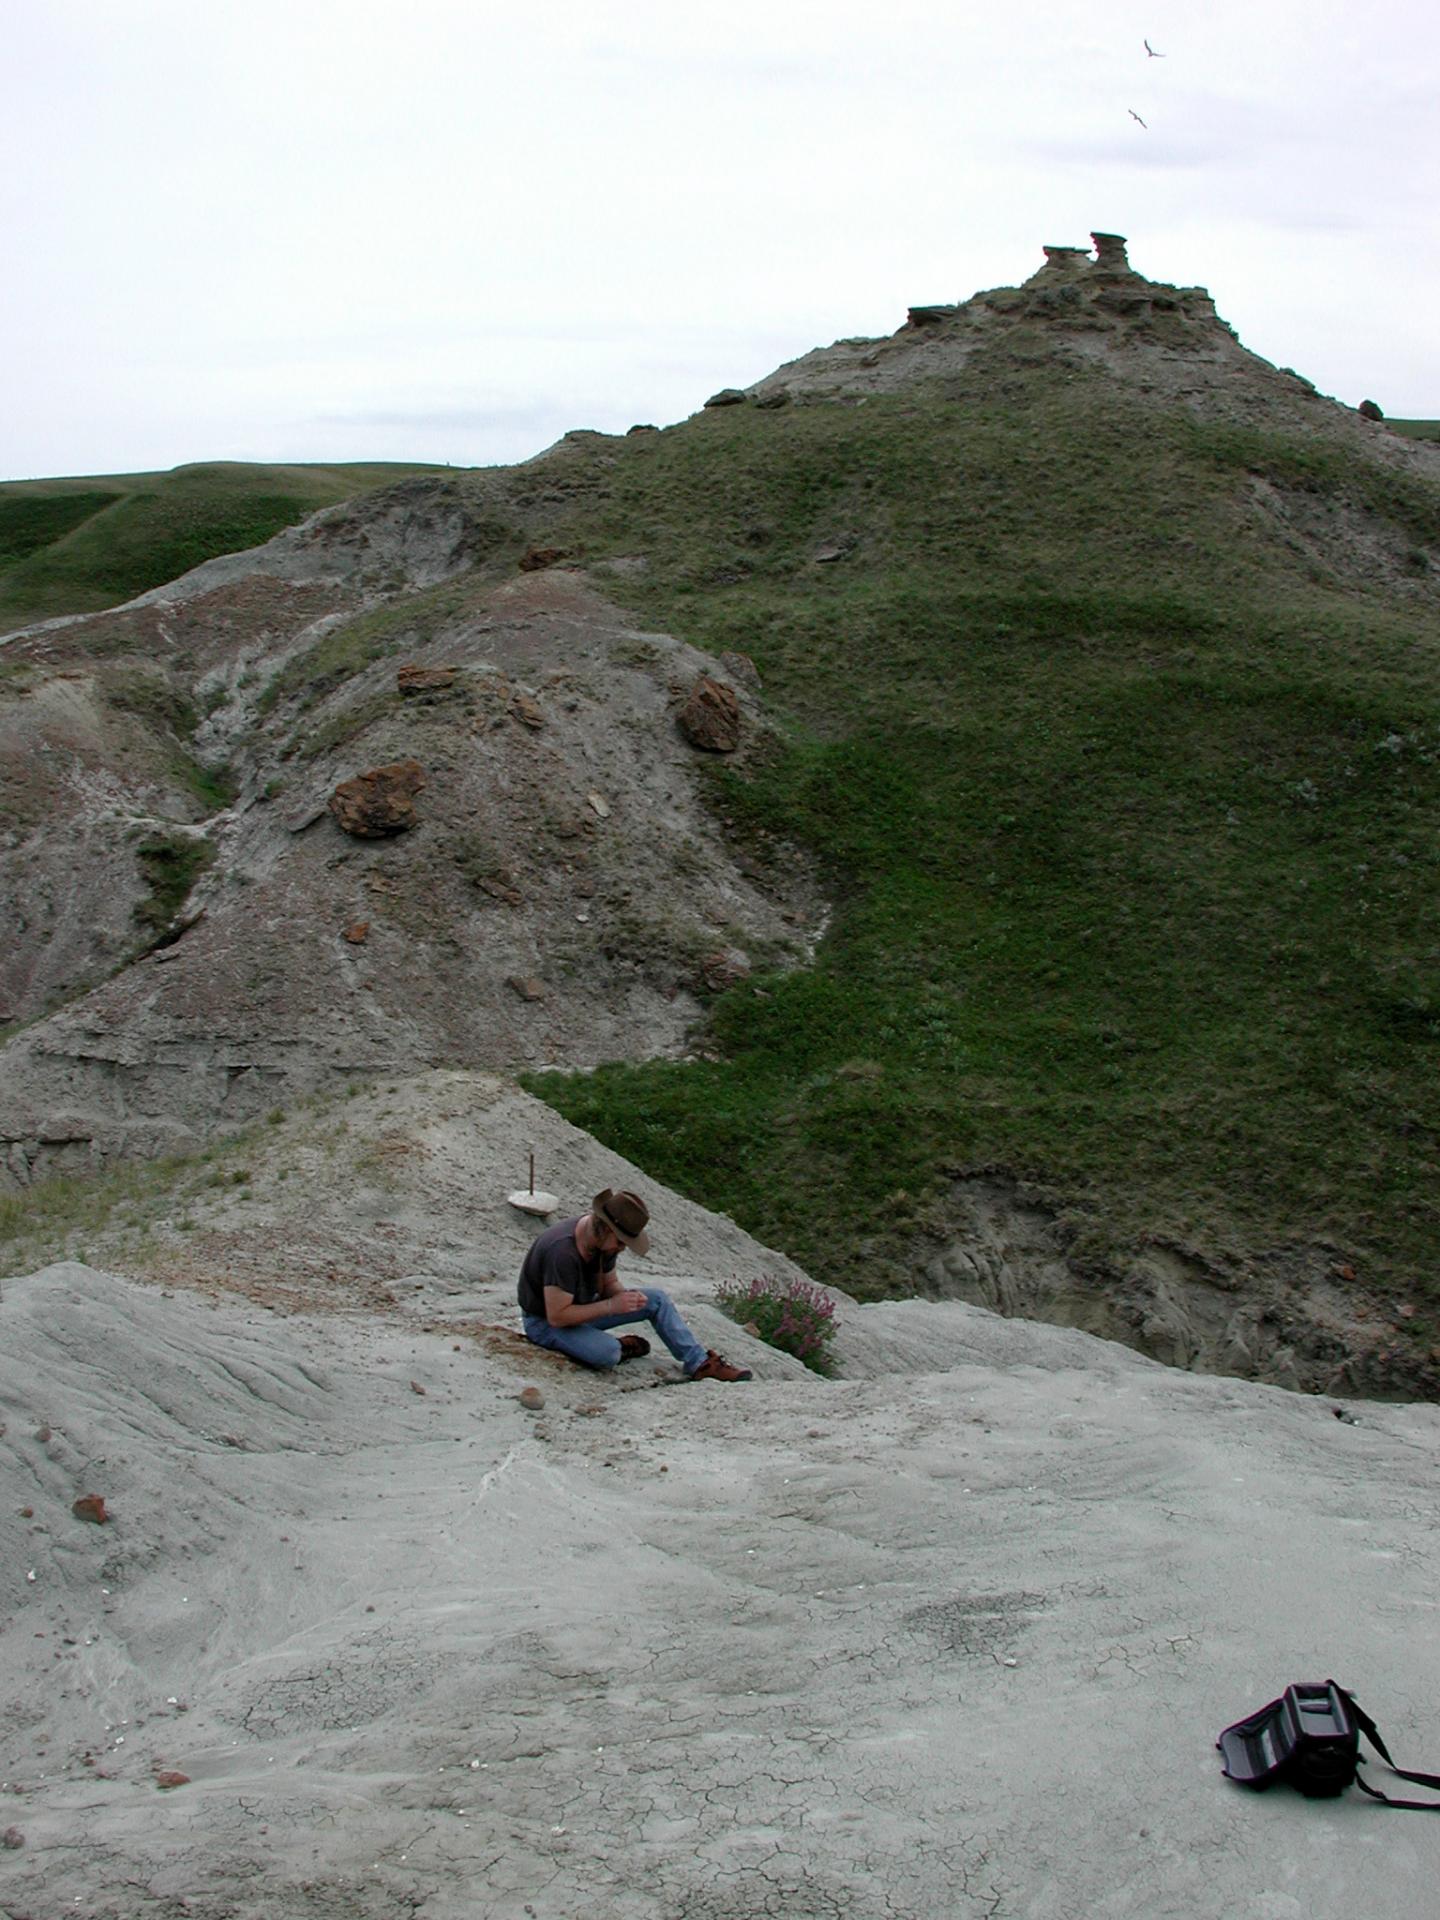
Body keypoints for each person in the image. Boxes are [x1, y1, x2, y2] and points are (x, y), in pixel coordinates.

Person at [518, 1188, 752, 1382]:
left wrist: (628, 1300)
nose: (622, 1248)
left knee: (657, 1300)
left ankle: (699, 1362)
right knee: (608, 1353)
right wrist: (611, 1306)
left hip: (583, 1308)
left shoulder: (603, 1243)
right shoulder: (562, 1252)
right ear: (607, 1229)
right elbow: (558, 1316)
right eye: (621, 1242)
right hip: (545, 1323)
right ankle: (615, 1346)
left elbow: (609, 1283)